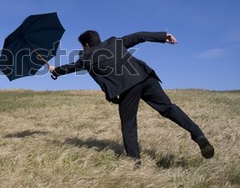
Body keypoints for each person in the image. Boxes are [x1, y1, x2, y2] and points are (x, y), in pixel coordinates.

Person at [49, 30, 214, 164]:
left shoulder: (86, 57)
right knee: (168, 108)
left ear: (85, 44)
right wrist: (163, 37)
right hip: (145, 77)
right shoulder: (114, 42)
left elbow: (71, 68)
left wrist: (55, 70)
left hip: (128, 88)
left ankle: (134, 162)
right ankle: (198, 134)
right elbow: (139, 36)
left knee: (129, 125)